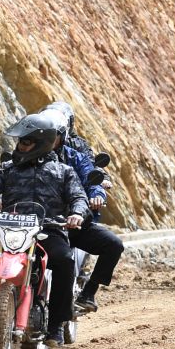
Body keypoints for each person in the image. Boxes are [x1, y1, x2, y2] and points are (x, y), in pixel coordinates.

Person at [0, 111, 89, 346]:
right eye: (19, 141)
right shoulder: (7, 169)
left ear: (40, 143)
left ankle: (56, 325)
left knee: (64, 261)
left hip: (48, 231)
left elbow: (78, 197)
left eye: (25, 142)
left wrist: (76, 214)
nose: (19, 146)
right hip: (11, 231)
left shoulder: (63, 171)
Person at [51, 114, 123, 311]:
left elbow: (91, 171)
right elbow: (2, 180)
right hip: (41, 223)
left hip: (76, 219)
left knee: (114, 244)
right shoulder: (27, 157)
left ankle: (89, 291)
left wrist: (98, 191)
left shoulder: (77, 153)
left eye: (54, 134)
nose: (48, 138)